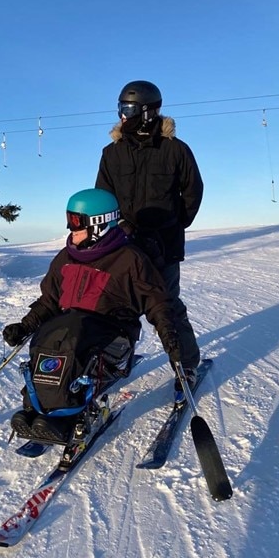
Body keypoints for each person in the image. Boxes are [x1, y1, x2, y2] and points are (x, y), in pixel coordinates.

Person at [2, 188, 183, 443]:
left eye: (77, 223)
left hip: (114, 335)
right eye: (70, 221)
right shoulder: (66, 258)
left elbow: (157, 302)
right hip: (75, 327)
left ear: (100, 224)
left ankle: (68, 414)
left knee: (73, 341)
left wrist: (168, 333)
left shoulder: (129, 259)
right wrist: (25, 327)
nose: (70, 230)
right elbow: (50, 301)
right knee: (46, 337)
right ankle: (36, 405)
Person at [95, 80, 203, 391]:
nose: (122, 115)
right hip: (124, 246)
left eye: (127, 109)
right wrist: (112, 234)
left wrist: (174, 223)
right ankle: (109, 363)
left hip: (164, 246)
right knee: (114, 306)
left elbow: (193, 192)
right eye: (121, 109)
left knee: (167, 306)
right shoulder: (112, 153)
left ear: (146, 112)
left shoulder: (175, 150)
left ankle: (187, 367)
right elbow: (104, 196)